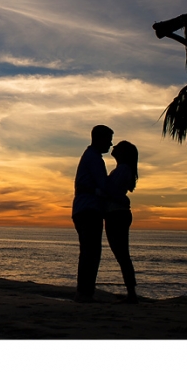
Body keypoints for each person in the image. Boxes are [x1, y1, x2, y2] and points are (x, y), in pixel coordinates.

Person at [72, 124, 113, 302]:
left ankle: (85, 290)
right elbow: (103, 185)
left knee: (88, 251)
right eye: (108, 140)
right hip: (88, 209)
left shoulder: (90, 157)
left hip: (84, 209)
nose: (110, 144)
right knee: (91, 251)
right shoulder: (94, 159)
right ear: (99, 139)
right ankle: (86, 292)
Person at [104, 140, 139, 303]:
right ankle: (131, 291)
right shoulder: (121, 170)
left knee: (122, 254)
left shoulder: (123, 170)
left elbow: (111, 191)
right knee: (122, 254)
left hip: (117, 214)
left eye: (118, 146)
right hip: (116, 213)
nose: (113, 146)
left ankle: (131, 293)